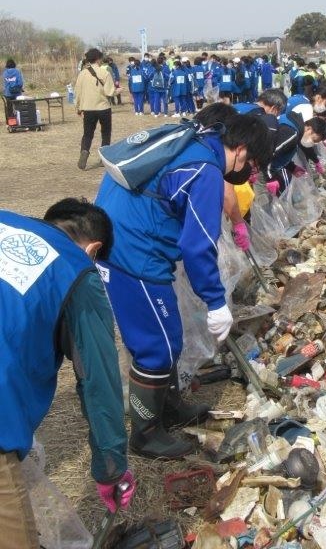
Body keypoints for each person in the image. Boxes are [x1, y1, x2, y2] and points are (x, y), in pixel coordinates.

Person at [95, 109, 272, 459]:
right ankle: (145, 434)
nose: (247, 172)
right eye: (250, 164)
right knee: (155, 346)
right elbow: (197, 244)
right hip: (132, 252)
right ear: (239, 150)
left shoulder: (194, 142)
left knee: (167, 334)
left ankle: (168, 406)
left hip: (121, 231)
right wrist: (216, 301)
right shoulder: (206, 171)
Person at [0, 198, 134, 547]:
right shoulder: (77, 270)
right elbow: (98, 381)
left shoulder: (6, 221)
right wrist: (111, 468)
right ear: (94, 249)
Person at [74, 48, 115, 170]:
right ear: (98, 59)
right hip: (103, 108)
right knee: (106, 133)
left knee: (87, 134)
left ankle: (85, 151)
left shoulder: (82, 74)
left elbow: (78, 92)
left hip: (88, 108)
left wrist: (78, 107)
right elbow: (109, 91)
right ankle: (104, 159)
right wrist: (118, 90)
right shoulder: (105, 73)